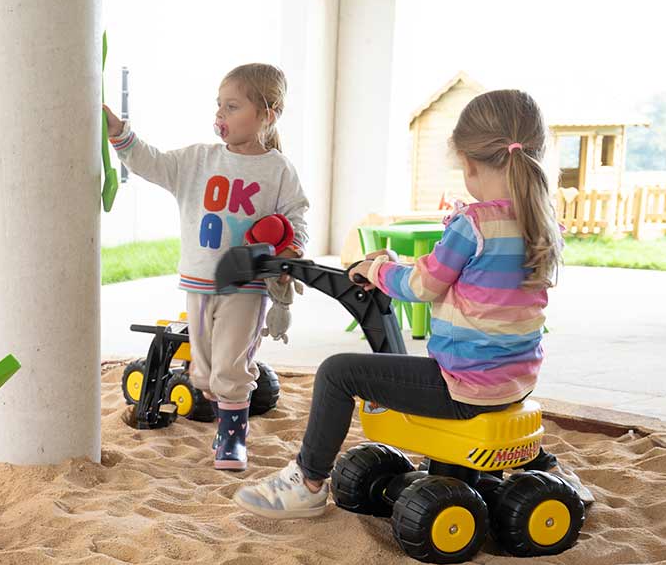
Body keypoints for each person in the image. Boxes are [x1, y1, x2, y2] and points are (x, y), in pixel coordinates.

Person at [234, 88, 561, 518]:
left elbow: (422, 286)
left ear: (467, 162)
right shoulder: (540, 219)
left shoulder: (473, 223)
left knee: (338, 373)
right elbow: (466, 278)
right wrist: (401, 267)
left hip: (465, 387)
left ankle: (308, 483)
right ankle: (546, 468)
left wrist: (375, 270)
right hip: (516, 381)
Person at [105, 63, 309, 470]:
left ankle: (232, 439)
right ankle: (221, 409)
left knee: (232, 367)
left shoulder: (278, 170)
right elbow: (151, 162)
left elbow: (295, 216)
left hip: (246, 286)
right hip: (198, 284)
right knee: (203, 374)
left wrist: (293, 248)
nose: (220, 115)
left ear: (267, 115)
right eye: (219, 105)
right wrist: (118, 132)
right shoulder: (198, 160)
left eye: (232, 107)